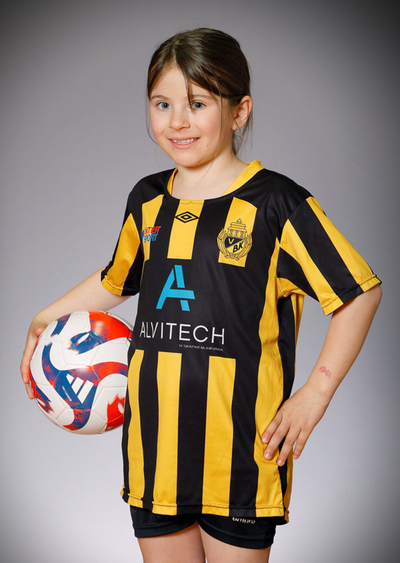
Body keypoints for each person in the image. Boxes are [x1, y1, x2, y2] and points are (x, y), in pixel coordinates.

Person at [21, 28, 382, 563]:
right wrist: (43, 318)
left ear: (239, 112)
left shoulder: (276, 203)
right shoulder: (147, 199)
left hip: (242, 455)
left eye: (197, 103)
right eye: (162, 104)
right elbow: (117, 279)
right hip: (154, 452)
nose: (177, 121)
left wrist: (316, 393)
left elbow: (358, 292)